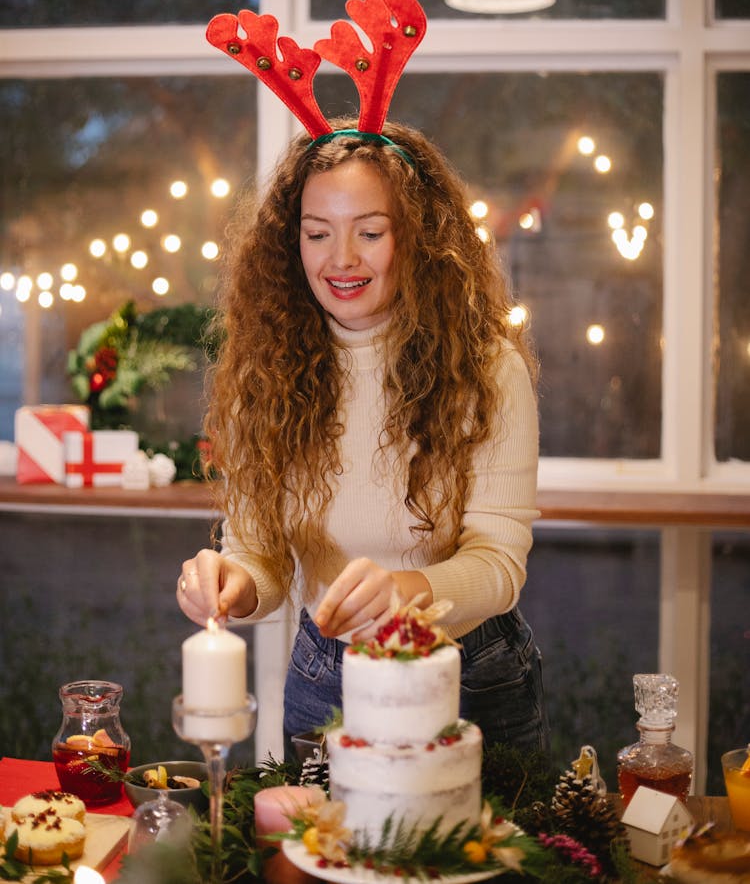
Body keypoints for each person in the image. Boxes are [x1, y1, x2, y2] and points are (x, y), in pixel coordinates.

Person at [177, 114, 549, 760]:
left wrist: (411, 590)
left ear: (421, 238)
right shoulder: (262, 371)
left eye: (370, 232)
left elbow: (499, 564)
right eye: (317, 233)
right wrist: (231, 584)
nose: (340, 258)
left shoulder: (487, 369)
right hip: (325, 673)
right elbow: (258, 553)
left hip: (468, 673)